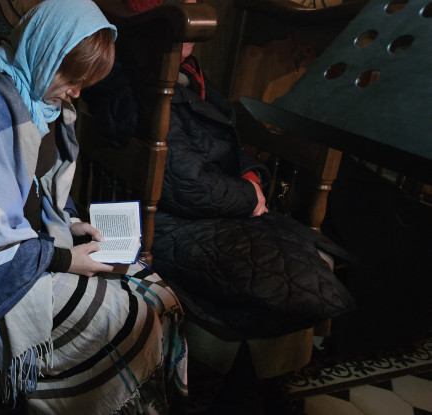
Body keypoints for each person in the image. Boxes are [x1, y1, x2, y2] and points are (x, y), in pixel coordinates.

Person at [81, 0, 355, 413]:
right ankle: (245, 387)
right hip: (168, 220)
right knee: (282, 279)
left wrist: (252, 178)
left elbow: (230, 142)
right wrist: (248, 196)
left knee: (302, 266)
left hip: (217, 209)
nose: (194, 23)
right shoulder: (138, 80)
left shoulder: (189, 74)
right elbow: (183, 183)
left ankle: (259, 381)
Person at [0, 0, 187, 413]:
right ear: (45, 50)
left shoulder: (46, 104)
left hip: (45, 241)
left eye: (84, 82)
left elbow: (44, 187)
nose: (76, 92)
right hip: (12, 267)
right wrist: (66, 259)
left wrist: (71, 222)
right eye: (72, 78)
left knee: (163, 299)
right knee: (133, 320)